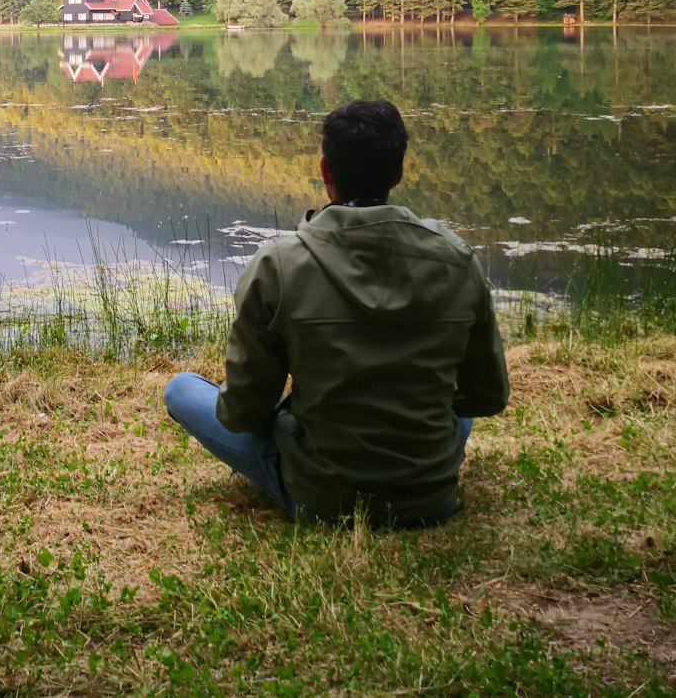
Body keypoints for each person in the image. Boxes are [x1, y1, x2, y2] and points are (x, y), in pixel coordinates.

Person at [164, 99, 509, 526]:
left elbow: (244, 415)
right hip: (429, 495)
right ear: (399, 173)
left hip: (322, 497)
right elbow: (486, 396)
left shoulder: (278, 264)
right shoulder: (457, 259)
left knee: (180, 390)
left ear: (326, 172)